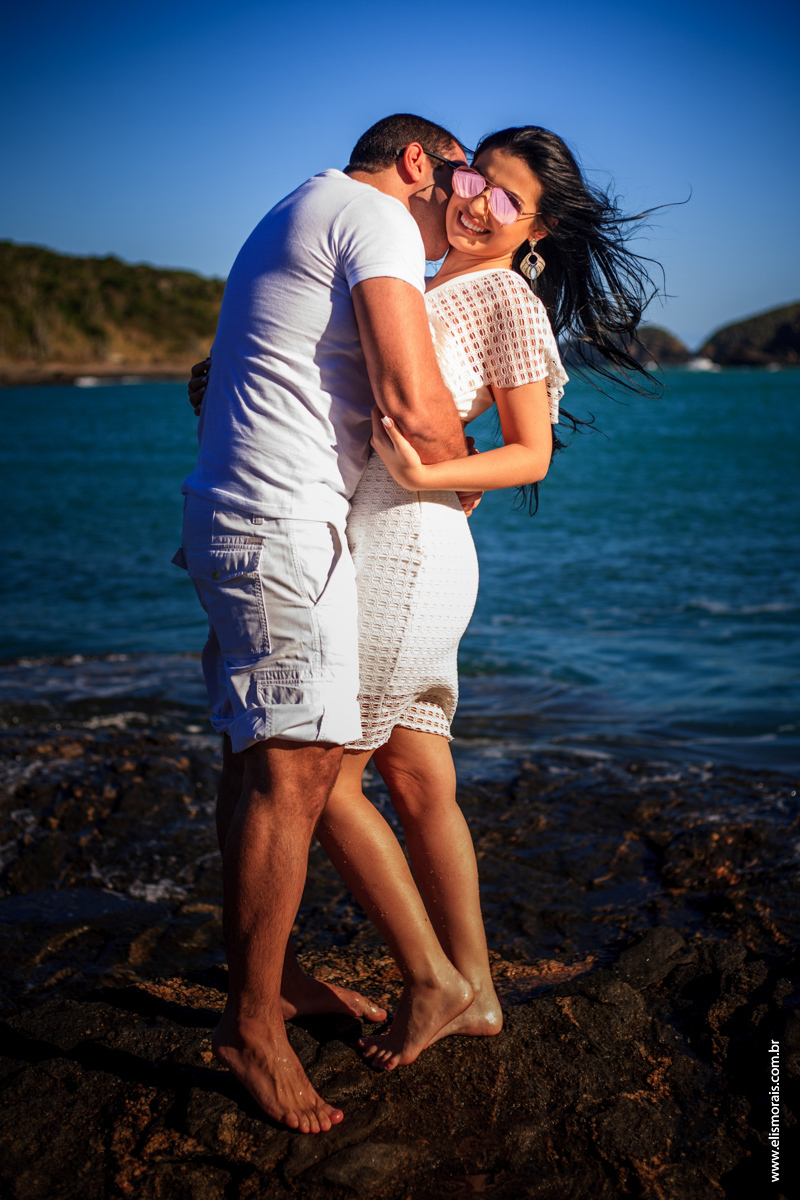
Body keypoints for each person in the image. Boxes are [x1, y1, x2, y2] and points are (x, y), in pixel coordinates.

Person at [188, 126, 659, 1076]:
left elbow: (532, 451)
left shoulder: (504, 296)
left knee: (326, 779)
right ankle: (476, 989)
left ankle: (434, 981)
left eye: (509, 201)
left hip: (408, 544)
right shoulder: (416, 272)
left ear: (538, 229)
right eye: (477, 180)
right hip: (375, 530)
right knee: (417, 775)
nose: (480, 204)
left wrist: (438, 471)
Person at [176, 113, 478, 1134]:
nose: (463, 208)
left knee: (258, 760)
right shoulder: (376, 216)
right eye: (459, 181)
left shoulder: (298, 205)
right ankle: (250, 1027)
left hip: (240, 514)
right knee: (300, 768)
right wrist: (464, 475)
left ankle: (276, 981)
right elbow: (409, 390)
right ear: (416, 163)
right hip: (279, 526)